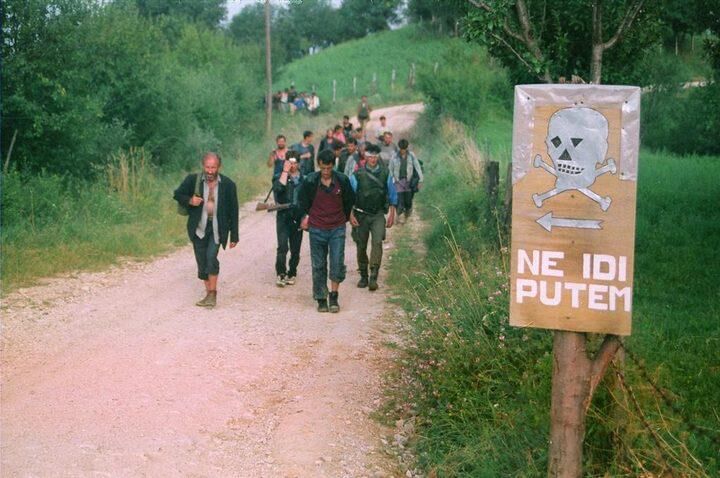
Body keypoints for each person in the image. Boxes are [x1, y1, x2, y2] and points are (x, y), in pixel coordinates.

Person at [173, 152, 239, 308]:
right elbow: (177, 194)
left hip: (217, 228)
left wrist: (234, 235)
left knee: (211, 258)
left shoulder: (228, 185)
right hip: (199, 228)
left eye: (213, 167)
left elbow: (233, 210)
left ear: (219, 167)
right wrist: (190, 200)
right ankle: (209, 294)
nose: (210, 171)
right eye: (207, 167)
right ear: (203, 166)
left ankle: (212, 294)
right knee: (202, 262)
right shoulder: (193, 180)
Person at [299, 149, 355, 313]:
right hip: (317, 228)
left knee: (337, 263)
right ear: (319, 165)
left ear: (333, 166)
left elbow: (350, 200)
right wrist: (305, 217)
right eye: (323, 168)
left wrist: (347, 217)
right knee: (318, 264)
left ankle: (334, 295)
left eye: (329, 168)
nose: (325, 172)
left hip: (337, 228)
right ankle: (321, 297)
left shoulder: (342, 180)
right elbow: (301, 201)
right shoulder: (310, 181)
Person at [349, 144, 397, 291]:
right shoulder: (357, 174)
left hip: (378, 214)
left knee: (377, 242)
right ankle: (363, 275)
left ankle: (373, 275)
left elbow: (392, 194)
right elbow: (349, 196)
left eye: (375, 156)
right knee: (361, 245)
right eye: (370, 156)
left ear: (378, 157)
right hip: (360, 214)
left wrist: (392, 214)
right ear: (366, 157)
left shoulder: (386, 173)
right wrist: (350, 215)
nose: (373, 159)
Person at [273, 151, 304, 287]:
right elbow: (278, 190)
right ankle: (281, 273)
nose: (292, 165)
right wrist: (285, 172)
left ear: (298, 163)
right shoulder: (279, 177)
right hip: (283, 216)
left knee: (295, 248)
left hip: (298, 217)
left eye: (294, 163)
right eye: (289, 162)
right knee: (282, 247)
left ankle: (292, 272)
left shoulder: (304, 179)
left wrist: (305, 216)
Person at [389, 139, 424, 223]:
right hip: (398, 181)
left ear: (407, 148)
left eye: (404, 149)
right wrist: (390, 181)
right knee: (399, 200)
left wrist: (420, 180)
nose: (403, 151)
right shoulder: (394, 156)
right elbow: (390, 169)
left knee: (408, 201)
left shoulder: (411, 155)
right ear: (399, 148)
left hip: (408, 181)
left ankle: (406, 216)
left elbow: (417, 167)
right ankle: (398, 216)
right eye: (401, 149)